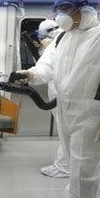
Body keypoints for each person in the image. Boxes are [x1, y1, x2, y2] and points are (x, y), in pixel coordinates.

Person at [16, 0, 100, 198]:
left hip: (93, 120)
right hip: (66, 113)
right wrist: (32, 74)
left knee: (82, 180)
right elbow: (47, 65)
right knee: (83, 174)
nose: (59, 15)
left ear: (83, 9)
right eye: (58, 10)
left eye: (65, 9)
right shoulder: (63, 37)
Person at [35, 19, 70, 179]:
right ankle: (65, 165)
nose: (42, 39)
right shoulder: (58, 41)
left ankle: (65, 167)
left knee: (67, 131)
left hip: (66, 94)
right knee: (64, 130)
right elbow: (46, 66)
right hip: (58, 92)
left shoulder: (66, 40)